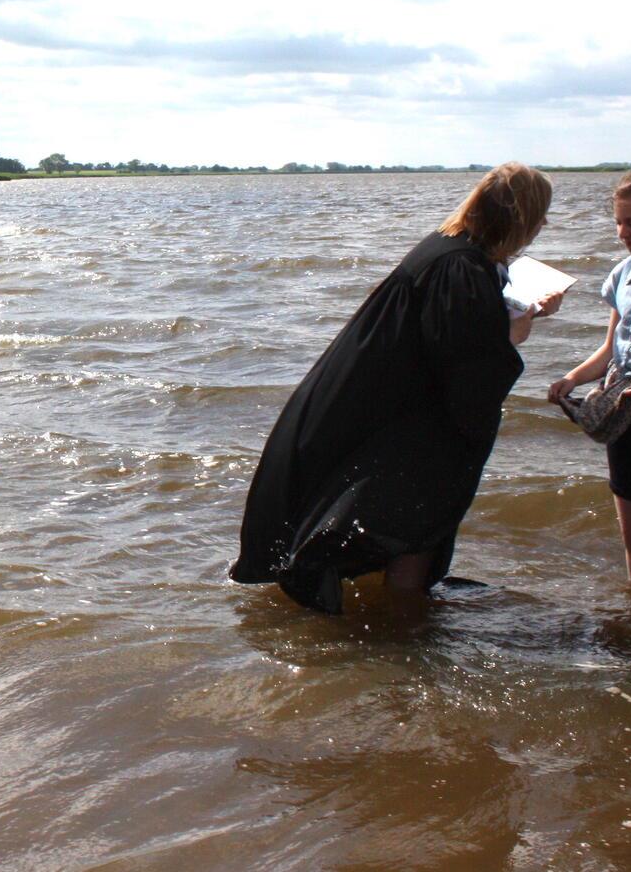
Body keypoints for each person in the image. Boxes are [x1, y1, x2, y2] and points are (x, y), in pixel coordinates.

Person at [229, 163, 563, 613]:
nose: (544, 226)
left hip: (374, 399)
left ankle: (393, 612)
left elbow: (447, 333)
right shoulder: (462, 267)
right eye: (541, 216)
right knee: (420, 516)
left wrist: (510, 316)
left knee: (388, 510)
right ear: (522, 217)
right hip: (412, 417)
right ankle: (405, 620)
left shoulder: (447, 247)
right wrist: (514, 334)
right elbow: (467, 363)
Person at [548, 171, 631, 590]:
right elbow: (610, 349)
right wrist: (571, 378)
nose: (624, 232)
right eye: (619, 222)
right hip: (624, 411)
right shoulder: (623, 274)